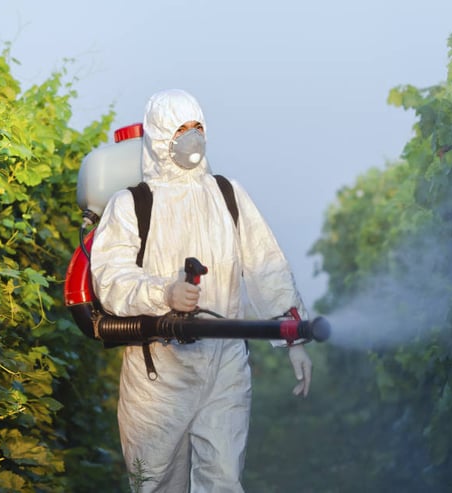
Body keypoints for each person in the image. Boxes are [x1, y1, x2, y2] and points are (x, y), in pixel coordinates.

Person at [89, 89, 314, 492]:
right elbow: (110, 279)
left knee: (223, 481)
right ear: (159, 136)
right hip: (157, 375)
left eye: (198, 128)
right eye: (180, 129)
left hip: (224, 366)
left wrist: (294, 339)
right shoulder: (130, 205)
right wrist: (165, 293)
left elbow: (267, 267)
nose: (191, 138)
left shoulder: (228, 195)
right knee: (155, 484)